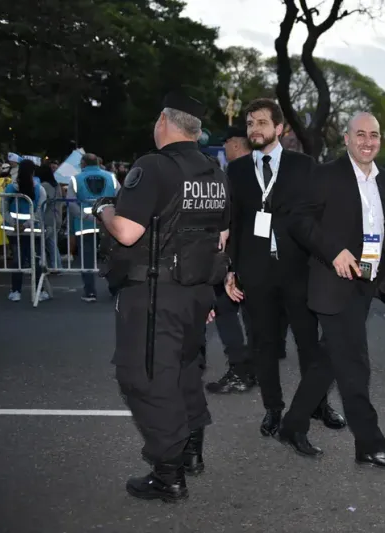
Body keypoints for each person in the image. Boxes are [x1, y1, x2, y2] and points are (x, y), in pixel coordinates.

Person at [93, 92, 230, 502]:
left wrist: (102, 210)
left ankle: (168, 471)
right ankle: (191, 451)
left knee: (146, 377)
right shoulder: (213, 172)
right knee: (185, 371)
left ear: (163, 121)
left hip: (155, 293)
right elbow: (220, 238)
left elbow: (128, 232)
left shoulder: (152, 167)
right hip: (196, 292)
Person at [278, 112, 385, 470]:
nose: (368, 141)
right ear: (346, 138)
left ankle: (292, 424)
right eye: (360, 134)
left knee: (329, 360)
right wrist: (333, 251)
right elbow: (298, 220)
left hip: (367, 283)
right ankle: (370, 444)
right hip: (332, 282)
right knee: (355, 365)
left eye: (374, 134)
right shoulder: (326, 174)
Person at [223, 98, 345, 435]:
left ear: (278, 128)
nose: (254, 130)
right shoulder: (237, 170)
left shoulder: (304, 166)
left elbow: (322, 216)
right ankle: (272, 409)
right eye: (250, 124)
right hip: (256, 272)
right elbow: (232, 222)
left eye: (261, 123)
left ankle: (317, 404)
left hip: (298, 270)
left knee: (309, 344)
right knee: (263, 346)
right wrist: (230, 268)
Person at [205, 125, 256, 394]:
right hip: (258, 257)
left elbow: (230, 220)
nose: (224, 148)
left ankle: (240, 370)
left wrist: (230, 266)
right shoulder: (262, 170)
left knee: (225, 312)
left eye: (226, 143)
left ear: (236, 143)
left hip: (236, 257)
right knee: (251, 316)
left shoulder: (234, 173)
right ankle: (252, 368)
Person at [67, 153, 120, 302]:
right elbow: (120, 197)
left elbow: (71, 203)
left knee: (87, 259)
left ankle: (90, 292)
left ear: (83, 163)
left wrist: (87, 217)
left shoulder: (75, 179)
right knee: (110, 257)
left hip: (85, 225)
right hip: (108, 224)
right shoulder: (111, 177)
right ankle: (114, 288)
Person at [0, 159, 51, 303]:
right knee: (34, 258)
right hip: (32, 230)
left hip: (14, 230)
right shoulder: (39, 189)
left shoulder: (10, 188)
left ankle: (16, 291)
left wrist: (14, 223)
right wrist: (27, 224)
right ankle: (39, 291)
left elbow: (2, 210)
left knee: (18, 260)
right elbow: (40, 211)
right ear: (33, 172)